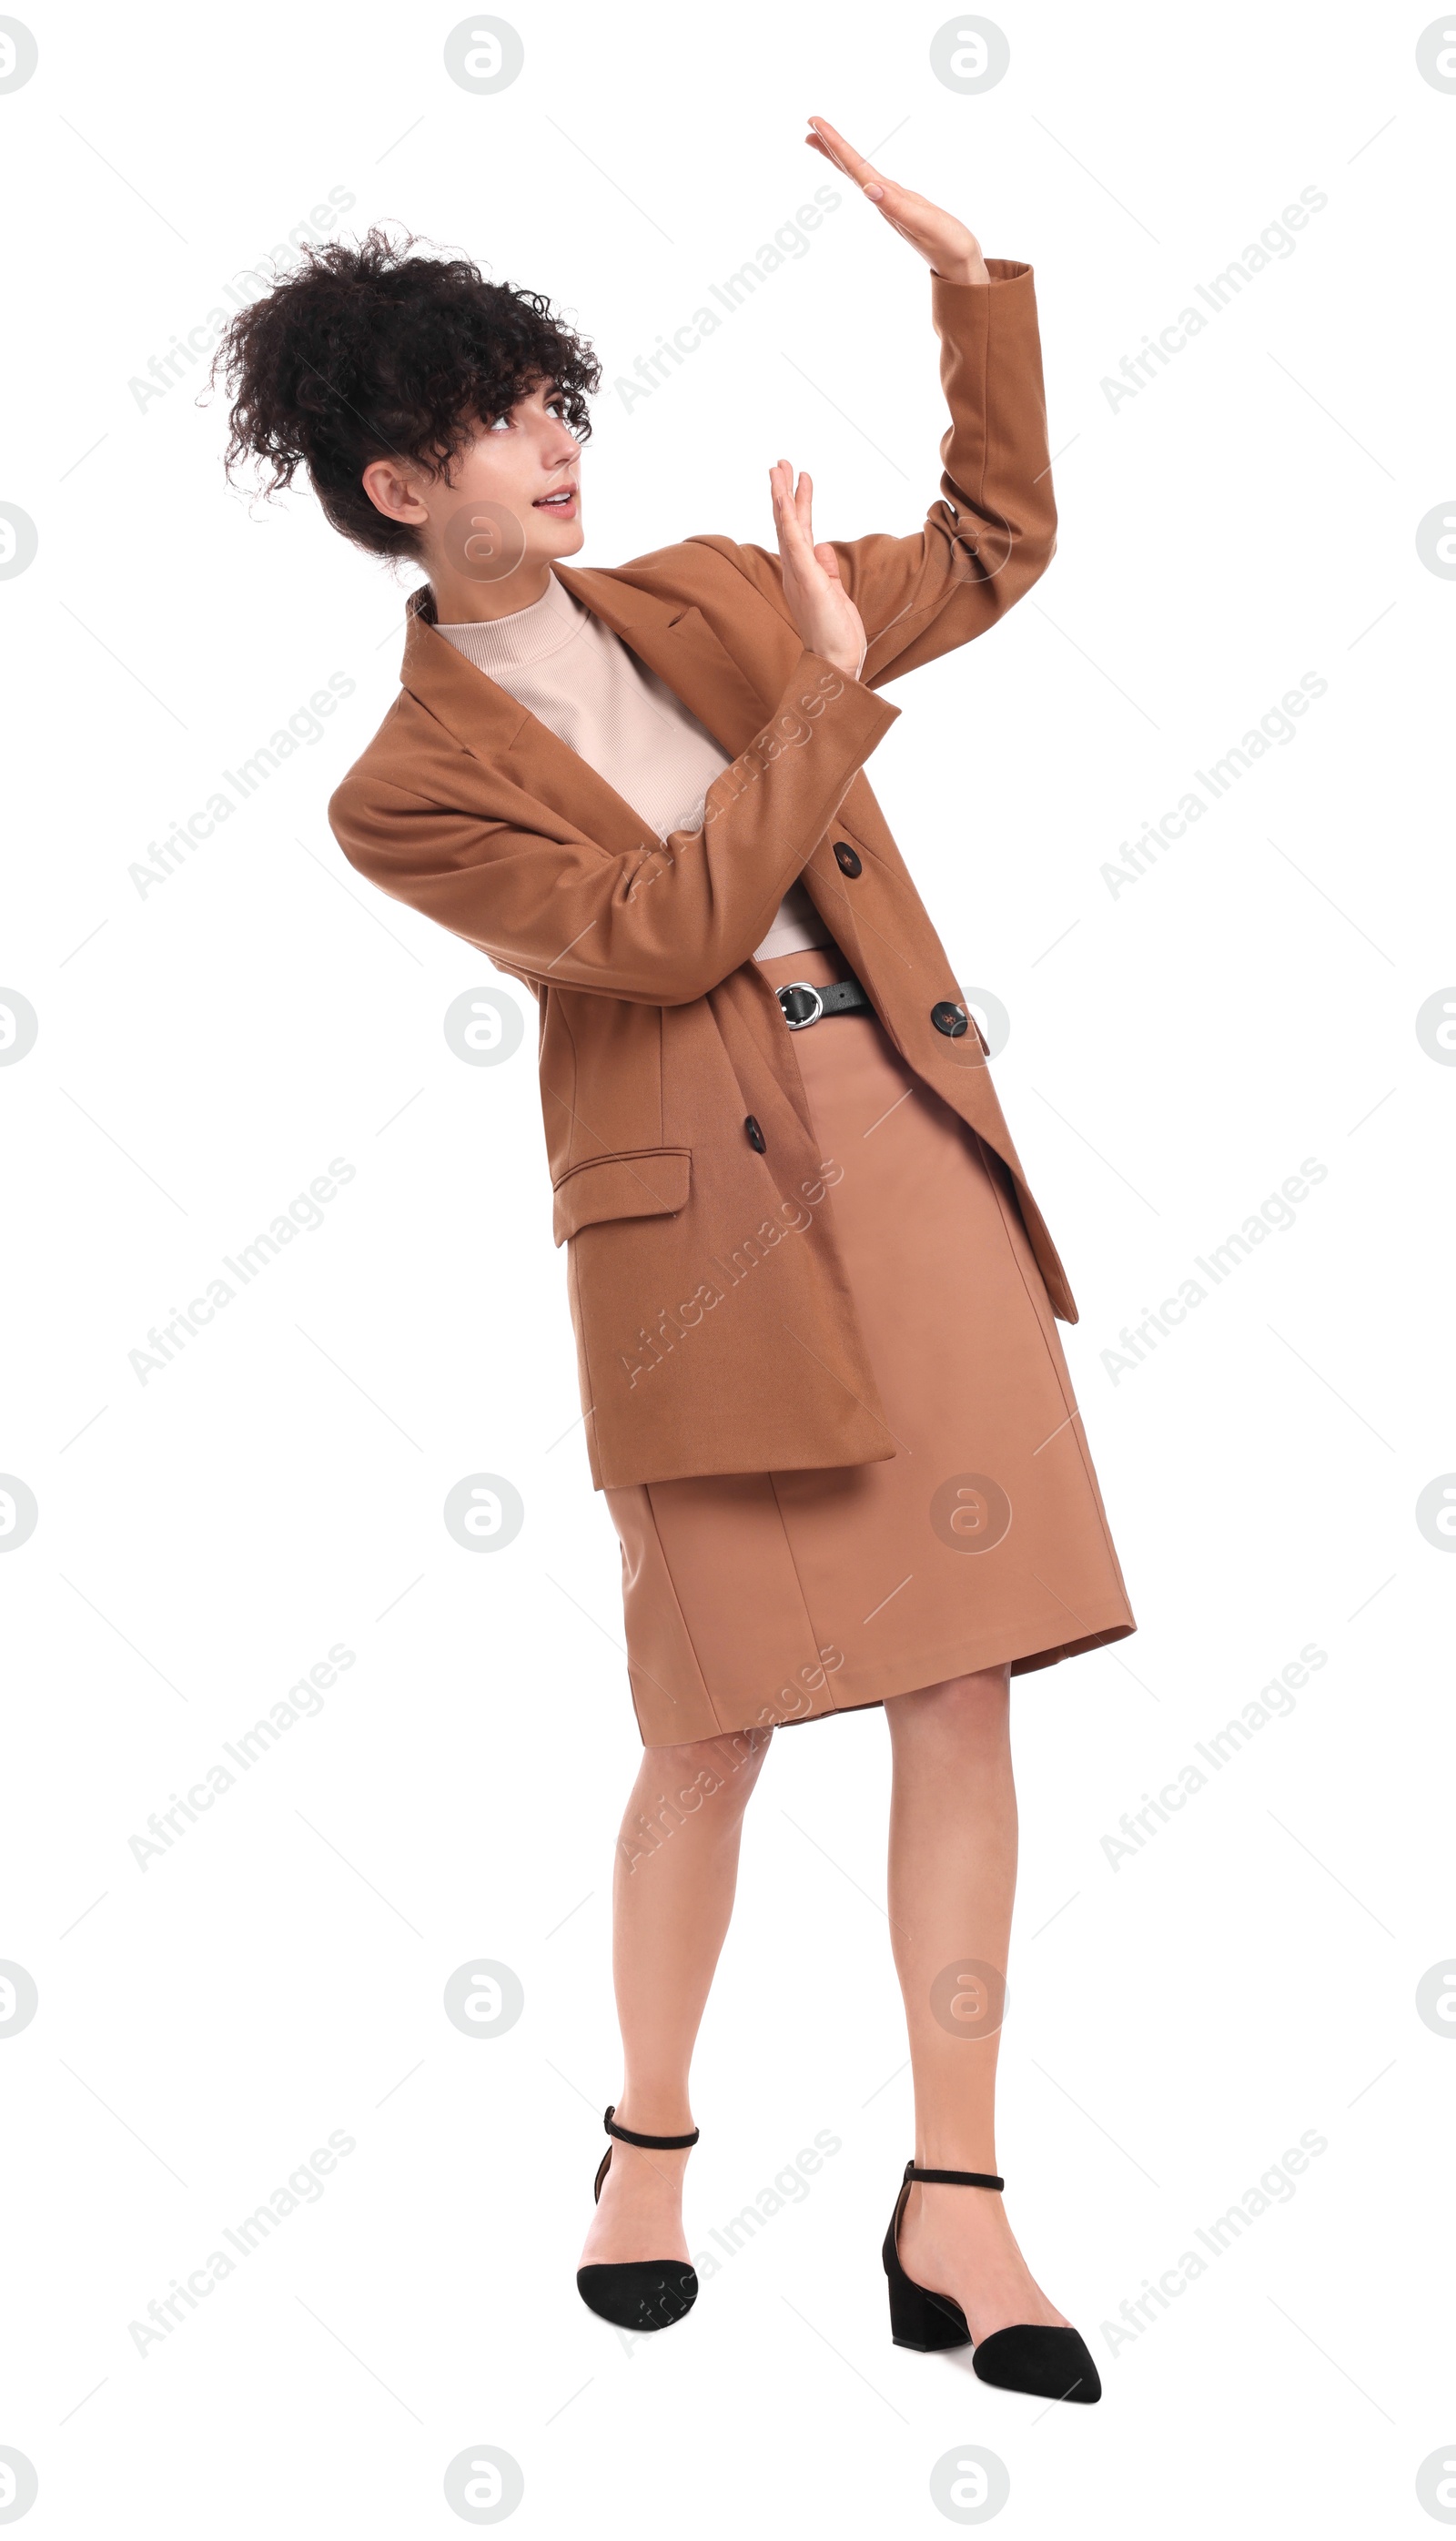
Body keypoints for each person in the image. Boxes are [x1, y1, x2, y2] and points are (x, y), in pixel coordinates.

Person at [215, 115, 1134, 2404]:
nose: (552, 442)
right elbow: (661, 929)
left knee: (962, 1686)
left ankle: (960, 2198)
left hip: (905, 1164)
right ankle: (645, 2139)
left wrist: (975, 283)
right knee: (708, 1727)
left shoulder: (727, 591)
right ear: (392, 482)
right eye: (499, 418)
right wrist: (824, 699)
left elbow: (999, 540)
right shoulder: (400, 787)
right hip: (693, 1249)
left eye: (556, 402)